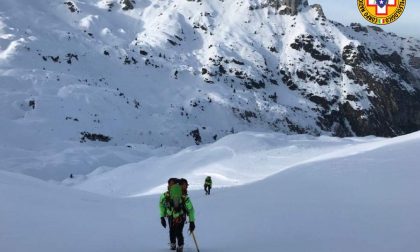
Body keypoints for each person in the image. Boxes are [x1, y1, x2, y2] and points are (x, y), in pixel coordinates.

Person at [159, 178, 195, 252]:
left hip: (179, 215)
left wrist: (192, 221)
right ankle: (174, 244)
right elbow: (190, 209)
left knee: (177, 231)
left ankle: (179, 246)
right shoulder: (167, 196)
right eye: (170, 184)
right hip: (173, 215)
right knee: (173, 230)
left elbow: (190, 210)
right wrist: (162, 217)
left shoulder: (167, 196)